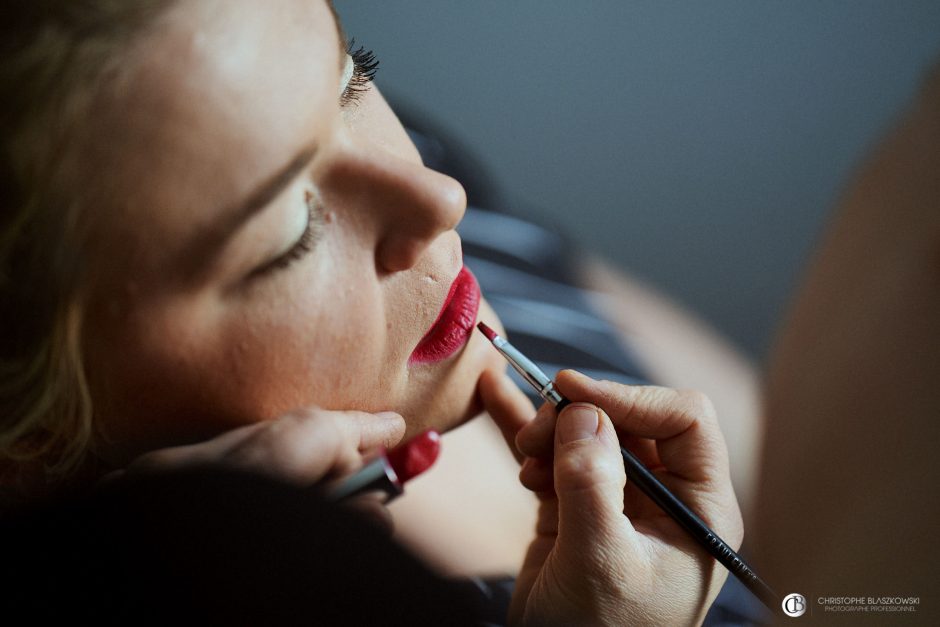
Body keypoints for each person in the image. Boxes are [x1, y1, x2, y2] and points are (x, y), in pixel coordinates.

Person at [0, 1, 746, 624]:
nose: (441, 194)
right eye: (291, 231)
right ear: (30, 438)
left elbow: (755, 439)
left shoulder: (406, 174)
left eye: (354, 80)